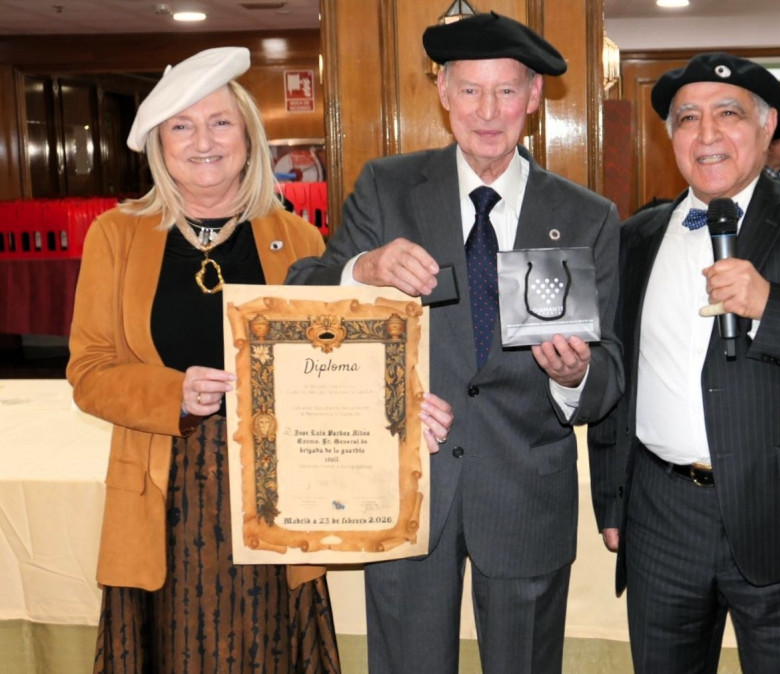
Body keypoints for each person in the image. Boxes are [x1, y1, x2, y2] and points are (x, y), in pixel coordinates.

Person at [287, 12, 623, 674]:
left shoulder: (586, 216)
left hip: (525, 496)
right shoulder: (386, 188)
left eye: (505, 91)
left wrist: (573, 376)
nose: (488, 111)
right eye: (470, 90)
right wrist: (366, 268)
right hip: (408, 483)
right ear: (442, 92)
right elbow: (303, 297)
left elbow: (610, 372)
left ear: (534, 97)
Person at [588, 52, 780, 673]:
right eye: (687, 119)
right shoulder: (635, 236)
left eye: (728, 114)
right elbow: (620, 373)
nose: (706, 135)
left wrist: (769, 305)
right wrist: (612, 498)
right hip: (661, 517)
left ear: (767, 130)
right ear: (670, 137)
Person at [66, 47, 359, 672]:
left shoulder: (299, 240)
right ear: (159, 144)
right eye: (182, 125)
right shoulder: (115, 237)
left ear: (249, 138)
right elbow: (88, 372)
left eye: (220, 122)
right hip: (162, 496)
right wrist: (170, 393)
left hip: (276, 495)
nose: (204, 140)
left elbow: (335, 364)